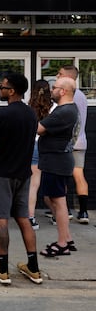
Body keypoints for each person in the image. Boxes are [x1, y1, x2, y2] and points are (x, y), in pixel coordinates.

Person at [0, 73, 41, 285]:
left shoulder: (0, 115)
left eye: (2, 87)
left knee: (1, 218)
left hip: (1, 174)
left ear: (12, 91)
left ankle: (2, 268)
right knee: (24, 218)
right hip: (23, 174)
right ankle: (34, 268)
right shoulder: (31, 115)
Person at [38, 76, 80, 257]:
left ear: (63, 91)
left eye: (54, 88)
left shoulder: (64, 112)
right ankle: (67, 238)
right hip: (57, 160)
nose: (51, 90)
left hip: (57, 161)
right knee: (53, 199)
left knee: (58, 201)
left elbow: (38, 128)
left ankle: (62, 243)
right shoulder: (68, 109)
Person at [57, 65, 89, 224]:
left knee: (62, 177)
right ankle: (83, 212)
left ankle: (66, 210)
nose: (57, 76)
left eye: (60, 74)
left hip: (67, 142)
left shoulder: (67, 95)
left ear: (69, 77)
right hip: (81, 141)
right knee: (79, 176)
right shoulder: (83, 96)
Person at [27, 79, 54, 230]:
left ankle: (31, 217)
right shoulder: (54, 107)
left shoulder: (28, 106)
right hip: (49, 147)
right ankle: (58, 214)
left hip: (32, 146)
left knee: (33, 184)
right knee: (54, 182)